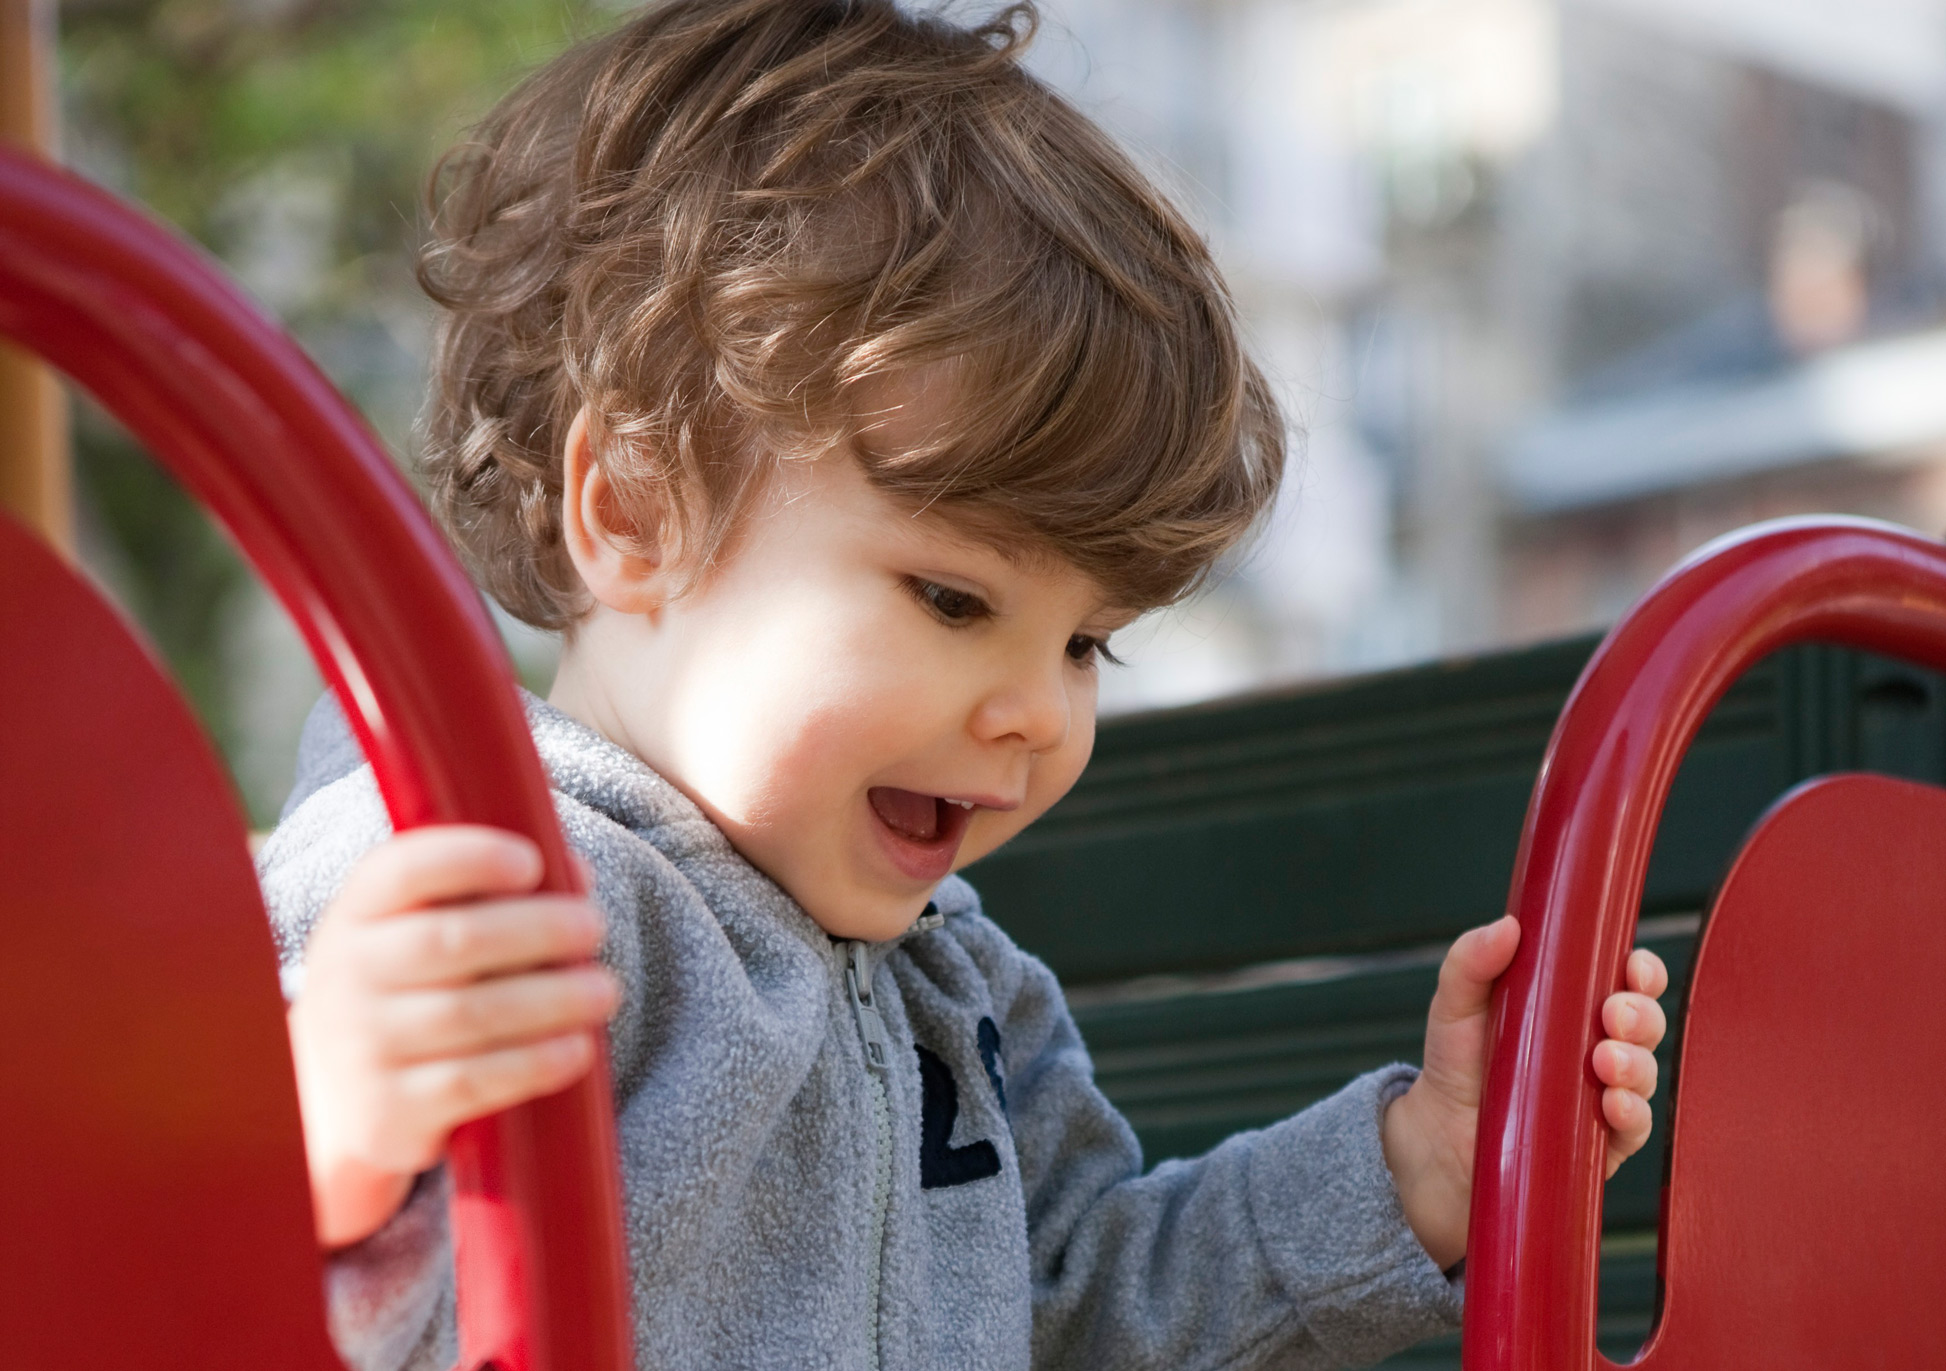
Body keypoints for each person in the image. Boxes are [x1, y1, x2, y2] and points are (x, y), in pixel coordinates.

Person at [259, 2, 1670, 1367]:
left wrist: (1415, 1166)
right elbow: (157, 1248)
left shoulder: (959, 984)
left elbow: (1078, 1314)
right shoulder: (473, 889)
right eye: (951, 599)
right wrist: (325, 1149)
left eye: (1083, 643)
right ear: (631, 511)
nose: (1037, 713)